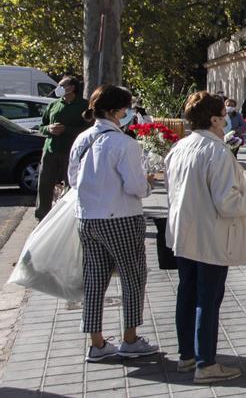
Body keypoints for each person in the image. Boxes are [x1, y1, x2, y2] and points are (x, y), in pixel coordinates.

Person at [165, 91, 246, 383]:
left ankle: (187, 355)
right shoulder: (217, 152)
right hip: (211, 235)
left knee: (187, 294)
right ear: (214, 119)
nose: (227, 119)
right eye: (224, 116)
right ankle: (206, 363)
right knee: (208, 298)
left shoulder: (179, 148)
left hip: (184, 233)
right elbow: (229, 203)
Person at [66, 84, 158, 363]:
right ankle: (130, 339)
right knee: (133, 277)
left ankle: (97, 343)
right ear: (115, 110)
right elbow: (135, 187)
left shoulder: (82, 139)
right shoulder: (124, 143)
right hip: (121, 218)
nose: (128, 112)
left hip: (86, 217)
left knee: (94, 279)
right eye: (125, 107)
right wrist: (149, 183)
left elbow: (72, 180)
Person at [35, 74, 88, 220]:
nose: (58, 88)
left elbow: (88, 129)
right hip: (50, 150)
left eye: (62, 85)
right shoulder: (53, 105)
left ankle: (69, 218)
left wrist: (66, 129)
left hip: (71, 152)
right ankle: (41, 218)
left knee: (71, 186)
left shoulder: (84, 106)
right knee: (44, 185)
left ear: (72, 88)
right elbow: (41, 127)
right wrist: (49, 129)